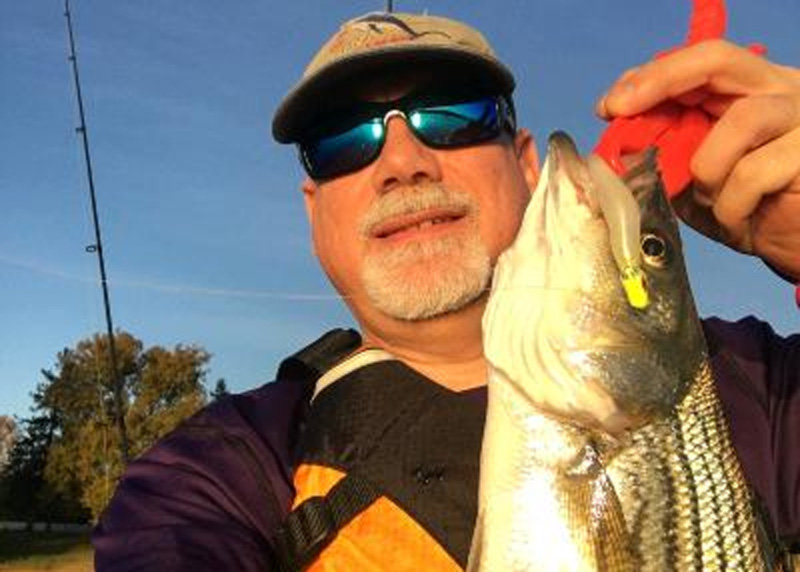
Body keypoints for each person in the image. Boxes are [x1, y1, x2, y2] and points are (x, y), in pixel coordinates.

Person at [93, 10, 800, 571]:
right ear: (313, 209)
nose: (403, 161)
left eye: (453, 115)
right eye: (345, 139)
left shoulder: (757, 389)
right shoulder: (215, 476)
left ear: (527, 165)